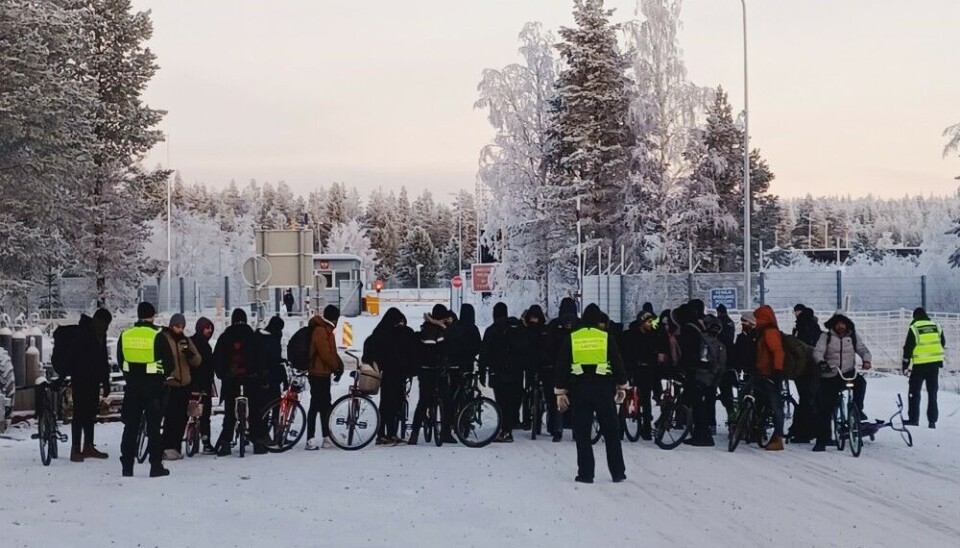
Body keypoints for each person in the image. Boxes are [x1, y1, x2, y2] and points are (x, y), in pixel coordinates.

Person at [555, 304, 628, 483]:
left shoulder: (572, 338)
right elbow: (617, 363)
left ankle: (586, 474)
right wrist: (622, 386)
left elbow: (562, 366)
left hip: (580, 389)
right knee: (611, 432)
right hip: (603, 388)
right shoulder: (606, 338)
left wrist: (560, 392)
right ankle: (618, 472)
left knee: (582, 433)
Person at [117, 302, 169, 477]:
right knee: (154, 429)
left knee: (130, 427)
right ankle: (155, 466)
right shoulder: (158, 336)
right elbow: (169, 364)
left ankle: (127, 466)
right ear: (153, 316)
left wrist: (131, 376)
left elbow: (120, 360)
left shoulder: (125, 335)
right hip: (154, 389)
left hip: (132, 388)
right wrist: (160, 377)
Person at [812, 313, 872, 452]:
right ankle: (823, 439)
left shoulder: (852, 337)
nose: (840, 326)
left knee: (861, 384)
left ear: (847, 324)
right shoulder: (825, 337)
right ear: (833, 324)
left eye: (843, 323)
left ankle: (857, 411)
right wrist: (821, 362)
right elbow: (818, 352)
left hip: (848, 372)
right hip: (831, 374)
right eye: (837, 323)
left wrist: (866, 360)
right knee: (826, 407)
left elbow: (863, 349)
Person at [213, 308, 267, 456]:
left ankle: (225, 444)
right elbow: (261, 358)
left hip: (231, 380)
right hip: (251, 379)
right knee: (254, 411)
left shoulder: (225, 337)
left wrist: (222, 374)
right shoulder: (253, 336)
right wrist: (259, 374)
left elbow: (217, 358)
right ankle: (258, 443)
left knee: (230, 412)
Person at [364, 307, 415, 445]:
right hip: (394, 374)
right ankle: (387, 434)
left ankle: (386, 434)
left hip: (387, 374)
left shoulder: (379, 333)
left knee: (387, 404)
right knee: (391, 404)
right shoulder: (394, 334)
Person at [68, 308, 113, 462]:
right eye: (105, 324)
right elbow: (75, 357)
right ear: (98, 321)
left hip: (93, 380)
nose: (106, 328)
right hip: (80, 379)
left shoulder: (100, 334)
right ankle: (75, 449)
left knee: (90, 413)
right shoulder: (83, 333)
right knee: (79, 413)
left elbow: (103, 359)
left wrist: (105, 382)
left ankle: (88, 446)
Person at [479, 302, 526, 442]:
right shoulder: (518, 328)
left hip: (498, 372)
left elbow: (484, 352)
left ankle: (505, 430)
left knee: (502, 401)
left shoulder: (492, 330)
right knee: (514, 399)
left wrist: (482, 372)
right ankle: (510, 425)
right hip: (516, 371)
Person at [159, 313, 201, 460]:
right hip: (170, 383)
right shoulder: (164, 339)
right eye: (177, 326)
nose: (180, 329)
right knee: (170, 417)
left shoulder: (186, 340)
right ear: (171, 325)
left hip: (185, 384)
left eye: (182, 326)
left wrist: (189, 354)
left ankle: (176, 446)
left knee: (182, 417)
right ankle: (167, 446)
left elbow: (197, 361)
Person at [409, 304, 449, 444]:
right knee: (441, 398)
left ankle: (414, 433)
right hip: (432, 369)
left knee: (423, 401)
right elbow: (438, 350)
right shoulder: (435, 330)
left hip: (424, 369)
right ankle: (444, 432)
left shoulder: (427, 327)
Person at [305, 305, 343, 450]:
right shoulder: (320, 331)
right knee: (316, 406)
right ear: (334, 318)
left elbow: (332, 352)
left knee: (324, 405)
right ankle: (311, 438)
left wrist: (339, 364)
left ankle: (326, 437)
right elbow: (325, 354)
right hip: (317, 374)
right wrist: (335, 367)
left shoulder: (326, 330)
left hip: (322, 373)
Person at [675, 304, 713, 446]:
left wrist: (682, 368)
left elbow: (688, 353)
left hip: (693, 372)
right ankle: (700, 433)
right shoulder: (698, 328)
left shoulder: (687, 330)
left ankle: (703, 435)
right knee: (697, 404)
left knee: (696, 404)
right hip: (702, 371)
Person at [902, 307, 945, 428]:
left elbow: (908, 347)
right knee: (932, 393)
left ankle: (913, 419)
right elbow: (942, 342)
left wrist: (905, 365)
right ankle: (932, 421)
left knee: (914, 392)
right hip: (934, 365)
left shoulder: (914, 328)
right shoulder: (936, 326)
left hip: (920, 365)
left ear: (915, 317)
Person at [622, 311, 662, 440]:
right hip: (633, 369)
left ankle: (646, 428)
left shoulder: (653, 335)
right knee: (625, 398)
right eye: (649, 322)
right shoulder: (630, 335)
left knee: (646, 399)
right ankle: (620, 428)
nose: (651, 325)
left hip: (647, 369)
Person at [444, 304, 482, 439]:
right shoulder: (473, 329)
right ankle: (465, 420)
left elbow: (446, 344)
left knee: (453, 393)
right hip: (467, 366)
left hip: (453, 366)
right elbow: (478, 346)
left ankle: (450, 421)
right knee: (467, 394)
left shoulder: (454, 328)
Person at [545, 298, 579, 441]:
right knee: (577, 398)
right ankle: (576, 429)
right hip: (576, 367)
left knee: (558, 397)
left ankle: (557, 429)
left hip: (556, 367)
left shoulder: (553, 325)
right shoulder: (580, 324)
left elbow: (546, 346)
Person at [752, 305, 786, 451]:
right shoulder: (762, 331)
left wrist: (777, 372)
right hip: (762, 373)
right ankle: (758, 428)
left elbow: (778, 352)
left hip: (770, 374)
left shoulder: (769, 332)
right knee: (764, 402)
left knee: (776, 406)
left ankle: (778, 437)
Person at [789, 306, 822, 443]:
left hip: (802, 370)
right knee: (813, 399)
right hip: (816, 369)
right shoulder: (817, 329)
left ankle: (801, 431)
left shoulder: (800, 329)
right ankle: (811, 429)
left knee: (804, 400)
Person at [190, 317, 216, 454]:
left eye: (211, 328)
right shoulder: (204, 346)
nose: (209, 330)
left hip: (191, 384)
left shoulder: (191, 342)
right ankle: (206, 442)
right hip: (200, 384)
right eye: (207, 328)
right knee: (205, 415)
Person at [259, 315, 286, 440]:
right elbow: (275, 360)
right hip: (271, 378)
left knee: (265, 407)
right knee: (274, 406)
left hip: (262, 378)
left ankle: (267, 434)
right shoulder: (272, 339)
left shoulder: (262, 336)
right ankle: (273, 435)